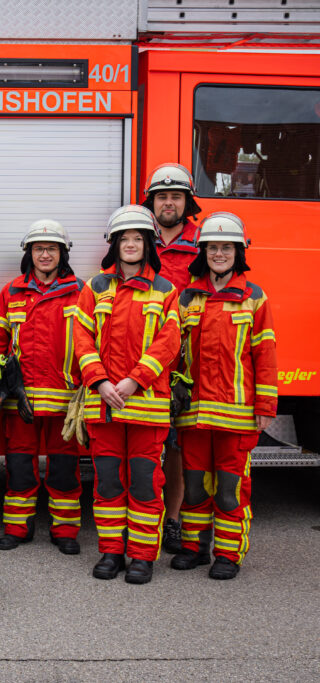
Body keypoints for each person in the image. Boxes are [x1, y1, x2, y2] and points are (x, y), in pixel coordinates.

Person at [72, 205, 181, 585]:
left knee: (144, 484)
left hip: (146, 408)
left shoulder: (165, 291)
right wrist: (100, 382)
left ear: (148, 244)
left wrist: (135, 380)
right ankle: (111, 551)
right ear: (114, 245)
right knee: (107, 485)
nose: (131, 244)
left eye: (137, 238)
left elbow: (169, 343)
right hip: (103, 408)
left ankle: (141, 557)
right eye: (124, 239)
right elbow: (81, 339)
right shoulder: (95, 287)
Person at [171, 212, 277, 580]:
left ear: (238, 252)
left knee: (231, 492)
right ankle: (194, 548)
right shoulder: (187, 297)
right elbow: (171, 350)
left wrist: (265, 405)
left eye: (226, 247)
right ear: (203, 252)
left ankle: (228, 556)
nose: (219, 253)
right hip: (194, 414)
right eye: (213, 247)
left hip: (236, 415)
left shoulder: (254, 298)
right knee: (196, 488)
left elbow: (265, 355)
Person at [0, 220, 84, 554]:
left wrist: (86, 386)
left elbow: (91, 341)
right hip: (18, 400)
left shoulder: (81, 291)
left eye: (51, 248)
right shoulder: (11, 292)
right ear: (29, 253)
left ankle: (65, 531)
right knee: (20, 468)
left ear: (62, 254)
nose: (44, 255)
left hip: (65, 400)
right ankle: (16, 528)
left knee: (65, 470)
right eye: (38, 248)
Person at [142, 163, 203, 554]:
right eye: (162, 196)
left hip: (186, 362)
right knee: (144, 444)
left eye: (175, 196)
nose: (168, 203)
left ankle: (175, 520)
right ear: (152, 202)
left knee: (178, 447)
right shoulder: (135, 238)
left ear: (187, 202)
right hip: (141, 361)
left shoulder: (206, 242)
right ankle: (142, 518)